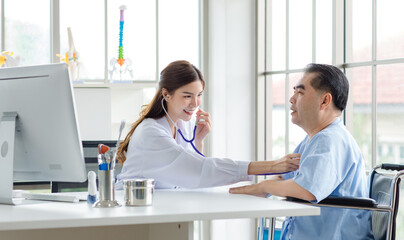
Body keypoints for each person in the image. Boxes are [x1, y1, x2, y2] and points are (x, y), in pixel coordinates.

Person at [229, 63, 374, 239]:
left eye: (300, 93)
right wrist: (260, 189)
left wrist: (265, 186)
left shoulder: (329, 140)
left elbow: (306, 189)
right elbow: (287, 175)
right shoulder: (315, 138)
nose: (292, 99)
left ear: (324, 101)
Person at [115, 60, 300, 189]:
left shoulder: (182, 124)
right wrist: (272, 166)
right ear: (166, 95)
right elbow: (199, 169)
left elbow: (189, 174)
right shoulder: (150, 133)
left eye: (199, 95)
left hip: (164, 204)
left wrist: (198, 141)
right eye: (187, 96)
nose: (195, 104)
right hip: (132, 208)